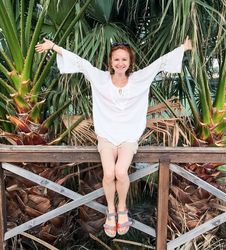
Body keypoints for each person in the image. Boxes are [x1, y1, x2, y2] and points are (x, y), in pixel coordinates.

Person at [35, 37, 192, 238]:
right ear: (111, 62)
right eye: (116, 59)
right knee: (109, 173)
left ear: (130, 62)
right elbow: (81, 63)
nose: (120, 63)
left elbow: (159, 63)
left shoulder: (139, 78)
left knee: (120, 170)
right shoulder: (100, 78)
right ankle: (110, 210)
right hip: (106, 135)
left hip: (129, 136)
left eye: (124, 60)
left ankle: (122, 208)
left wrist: (183, 47)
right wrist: (54, 47)